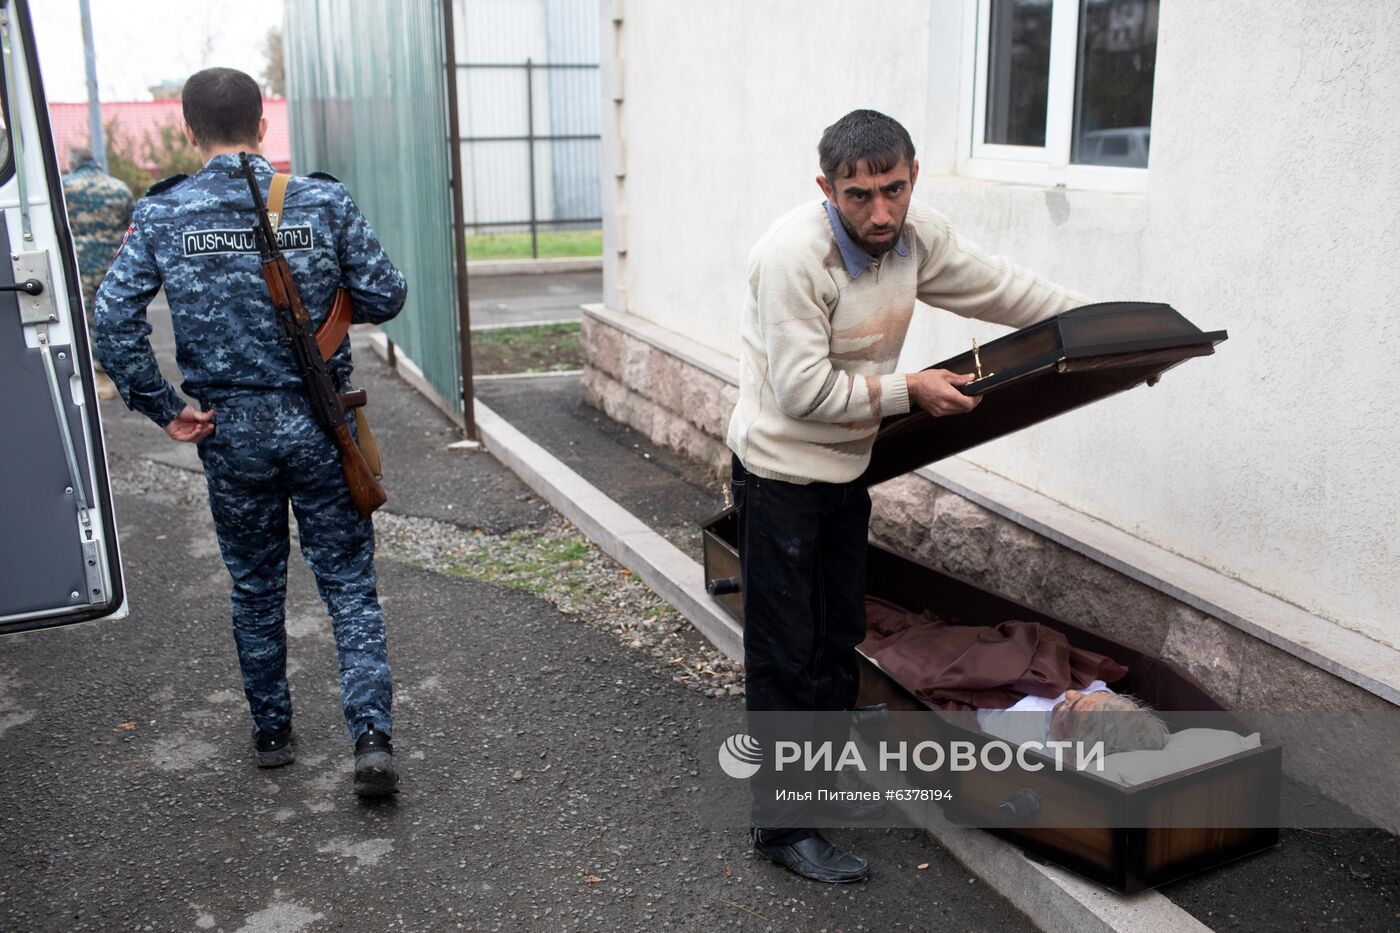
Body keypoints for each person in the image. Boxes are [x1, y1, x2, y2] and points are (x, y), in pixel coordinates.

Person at [727, 109, 1093, 882]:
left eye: (893, 189)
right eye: (859, 196)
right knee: (785, 655)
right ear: (827, 187)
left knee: (837, 642)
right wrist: (911, 389)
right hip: (780, 478)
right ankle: (782, 826)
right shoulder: (793, 258)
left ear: (913, 176)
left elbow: (1001, 288)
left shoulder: (915, 235)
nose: (881, 212)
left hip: (844, 473)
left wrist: (1104, 338)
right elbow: (800, 393)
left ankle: (814, 789)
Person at [93, 68, 408, 797]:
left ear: (189, 131)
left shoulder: (166, 212)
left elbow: (112, 319)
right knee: (350, 586)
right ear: (264, 127)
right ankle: (370, 738)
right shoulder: (321, 199)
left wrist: (160, 404)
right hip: (323, 423)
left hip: (229, 430)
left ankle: (273, 732)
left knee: (256, 585)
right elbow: (387, 294)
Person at [62, 145, 134, 400]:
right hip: (112, 266)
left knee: (81, 320)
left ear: (72, 162)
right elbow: (131, 229)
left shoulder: (62, 188)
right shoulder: (118, 188)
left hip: (76, 267)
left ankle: (88, 375)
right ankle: (115, 373)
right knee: (113, 319)